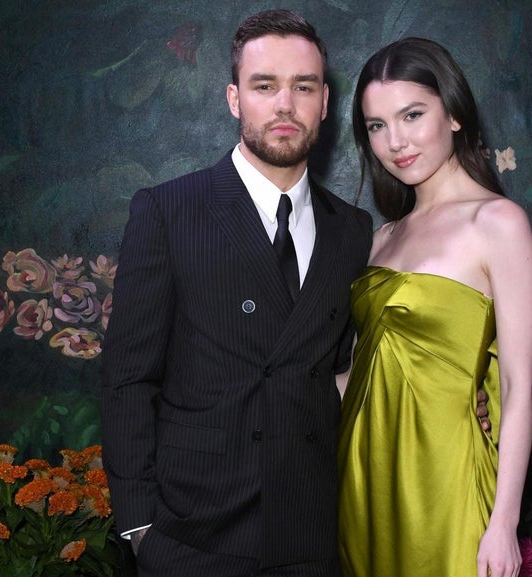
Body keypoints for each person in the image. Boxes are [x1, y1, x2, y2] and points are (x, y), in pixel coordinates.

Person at [100, 10, 373, 577]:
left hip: (313, 531)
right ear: (233, 99)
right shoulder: (168, 211)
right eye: (264, 86)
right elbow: (128, 379)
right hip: (192, 535)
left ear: (325, 102)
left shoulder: (352, 229)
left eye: (303, 87)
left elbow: (348, 373)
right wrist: (139, 527)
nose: (284, 105)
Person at [337, 37, 532, 577]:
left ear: (453, 113)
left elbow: (518, 385)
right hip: (365, 480)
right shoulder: (380, 240)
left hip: (449, 484)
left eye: (412, 115)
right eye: (376, 125)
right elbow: (357, 375)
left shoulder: (497, 223)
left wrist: (504, 523)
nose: (395, 142)